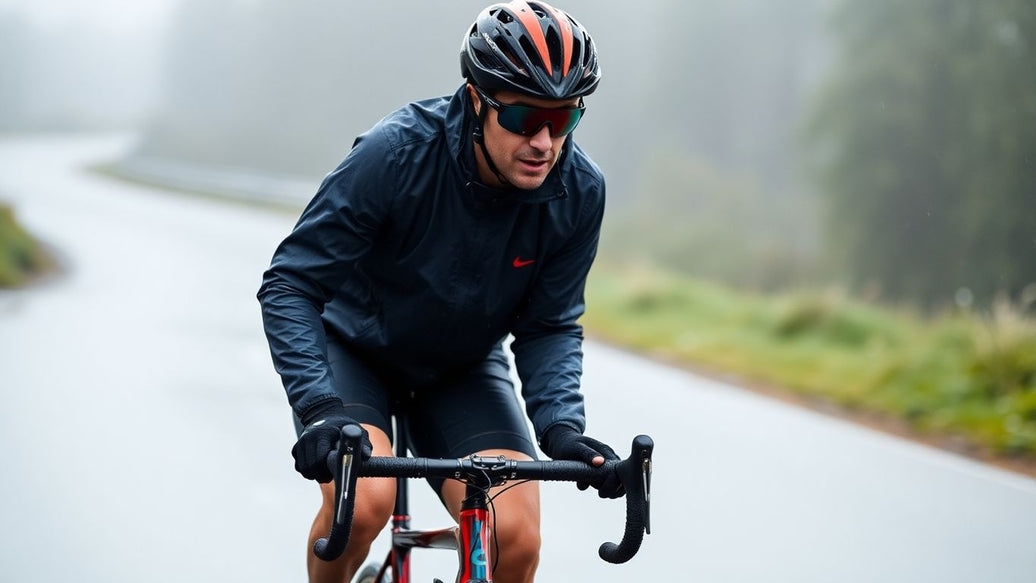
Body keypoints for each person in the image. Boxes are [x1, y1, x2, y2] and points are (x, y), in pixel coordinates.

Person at [258, 2, 621, 582]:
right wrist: (319, 410)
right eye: (525, 116)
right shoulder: (395, 153)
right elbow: (290, 283)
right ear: (477, 99)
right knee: (364, 503)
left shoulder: (579, 191)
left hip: (460, 369)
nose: (545, 142)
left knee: (516, 537)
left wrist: (563, 430)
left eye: (564, 119)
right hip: (356, 352)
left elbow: (549, 325)